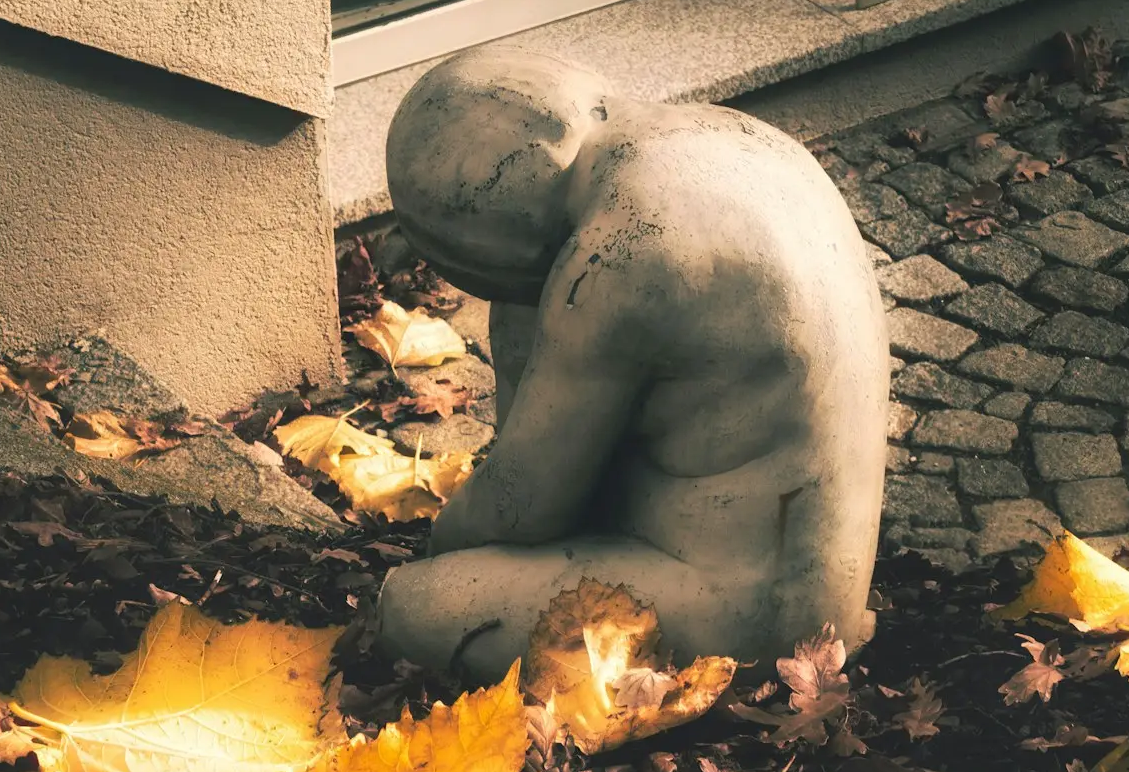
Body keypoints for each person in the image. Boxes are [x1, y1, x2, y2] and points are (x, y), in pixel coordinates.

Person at [375, 47, 888, 682]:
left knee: (410, 607)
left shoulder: (622, 255)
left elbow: (522, 507)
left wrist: (442, 551)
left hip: (757, 622)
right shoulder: (733, 135)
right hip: (817, 574)